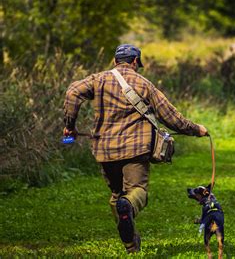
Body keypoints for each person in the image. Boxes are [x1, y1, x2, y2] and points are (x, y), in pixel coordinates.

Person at [63, 44, 208, 253]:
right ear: (135, 62)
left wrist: (70, 125)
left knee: (116, 194)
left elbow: (73, 92)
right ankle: (128, 209)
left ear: (115, 61)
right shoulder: (144, 84)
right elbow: (171, 117)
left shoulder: (98, 79)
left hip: (105, 149)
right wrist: (196, 129)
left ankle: (131, 244)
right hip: (135, 150)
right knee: (136, 192)